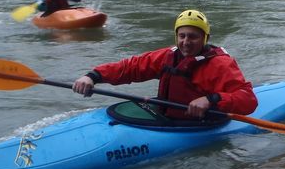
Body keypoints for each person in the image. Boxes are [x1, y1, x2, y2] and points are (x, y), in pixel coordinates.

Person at [72, 9, 258, 121]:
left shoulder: (220, 64)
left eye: (193, 36)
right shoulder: (168, 56)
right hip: (167, 117)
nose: (186, 41)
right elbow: (130, 68)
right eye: (182, 35)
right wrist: (93, 76)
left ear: (205, 38)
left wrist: (210, 100)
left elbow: (247, 99)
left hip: (200, 123)